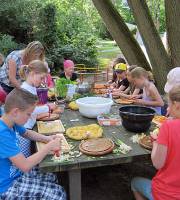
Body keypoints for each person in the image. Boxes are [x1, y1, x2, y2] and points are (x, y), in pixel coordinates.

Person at [0, 88, 66, 199]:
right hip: (7, 187)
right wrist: (49, 147)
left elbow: (27, 133)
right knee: (58, 194)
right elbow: (25, 166)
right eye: (28, 114)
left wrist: (47, 138)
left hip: (17, 173)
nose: (31, 117)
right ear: (16, 112)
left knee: (51, 175)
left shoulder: (10, 121)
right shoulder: (2, 134)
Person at [131, 85, 180, 200]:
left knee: (134, 182)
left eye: (169, 105)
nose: (167, 110)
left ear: (177, 105)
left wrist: (156, 142)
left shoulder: (168, 126)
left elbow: (157, 164)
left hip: (167, 194)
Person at [19, 60, 58, 157]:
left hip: (28, 127)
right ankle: (25, 171)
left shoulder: (31, 87)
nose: (42, 81)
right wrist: (48, 107)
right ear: (32, 74)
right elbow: (30, 110)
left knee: (28, 154)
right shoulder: (26, 89)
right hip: (23, 130)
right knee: (25, 156)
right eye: (41, 78)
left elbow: (33, 107)